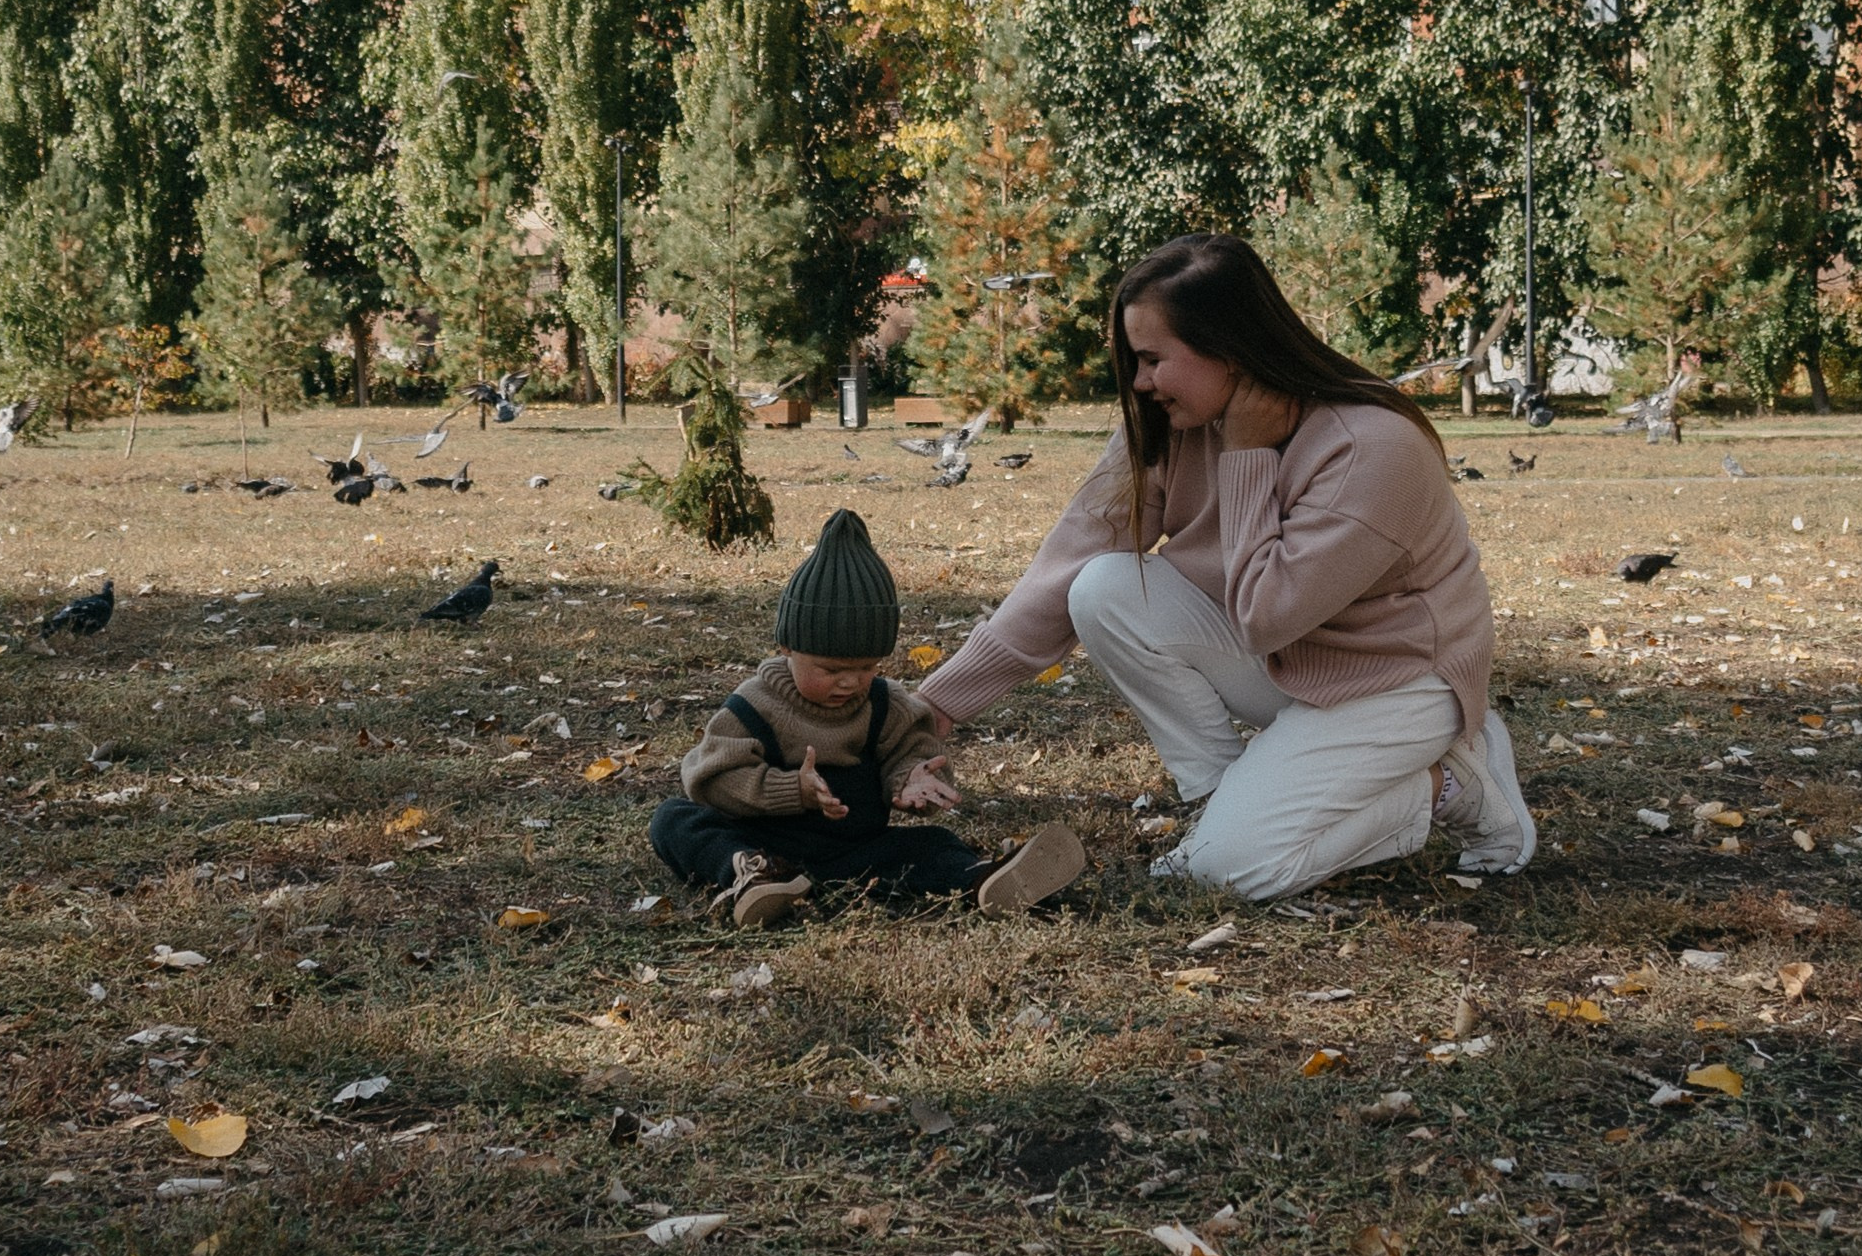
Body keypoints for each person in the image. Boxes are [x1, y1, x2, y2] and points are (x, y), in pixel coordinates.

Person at [913, 234, 1533, 903]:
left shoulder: (1371, 449)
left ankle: (1448, 784)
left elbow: (1268, 616)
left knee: (1221, 874)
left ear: (1231, 353)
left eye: (1152, 359)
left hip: (1398, 678)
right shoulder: (1167, 421)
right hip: (1289, 653)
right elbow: (1073, 558)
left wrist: (1246, 455)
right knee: (1102, 587)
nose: (1140, 381)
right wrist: (936, 704)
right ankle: (1223, 800)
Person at [650, 508, 1087, 927]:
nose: (849, 683)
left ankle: (982, 879)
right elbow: (710, 780)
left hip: (857, 851)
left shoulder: (886, 704)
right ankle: (755, 881)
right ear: (787, 649)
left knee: (932, 846)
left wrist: (910, 778)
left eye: (866, 667)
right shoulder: (753, 705)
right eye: (831, 670)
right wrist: (790, 789)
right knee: (674, 820)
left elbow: (915, 747)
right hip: (766, 845)